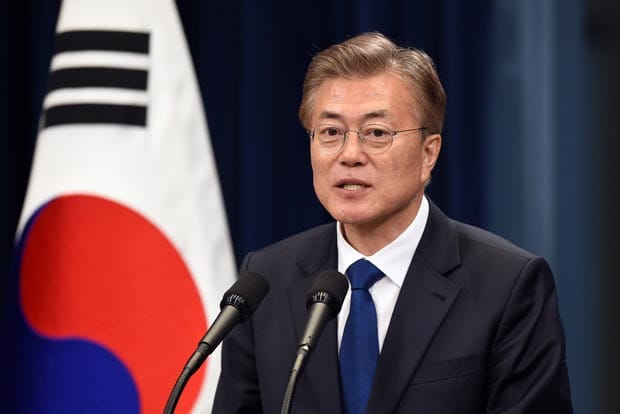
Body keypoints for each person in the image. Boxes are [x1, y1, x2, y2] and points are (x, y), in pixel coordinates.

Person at [213, 32, 572, 413]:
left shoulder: (507, 285)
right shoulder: (266, 281)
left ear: (428, 154)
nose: (350, 154)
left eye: (376, 134)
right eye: (331, 132)